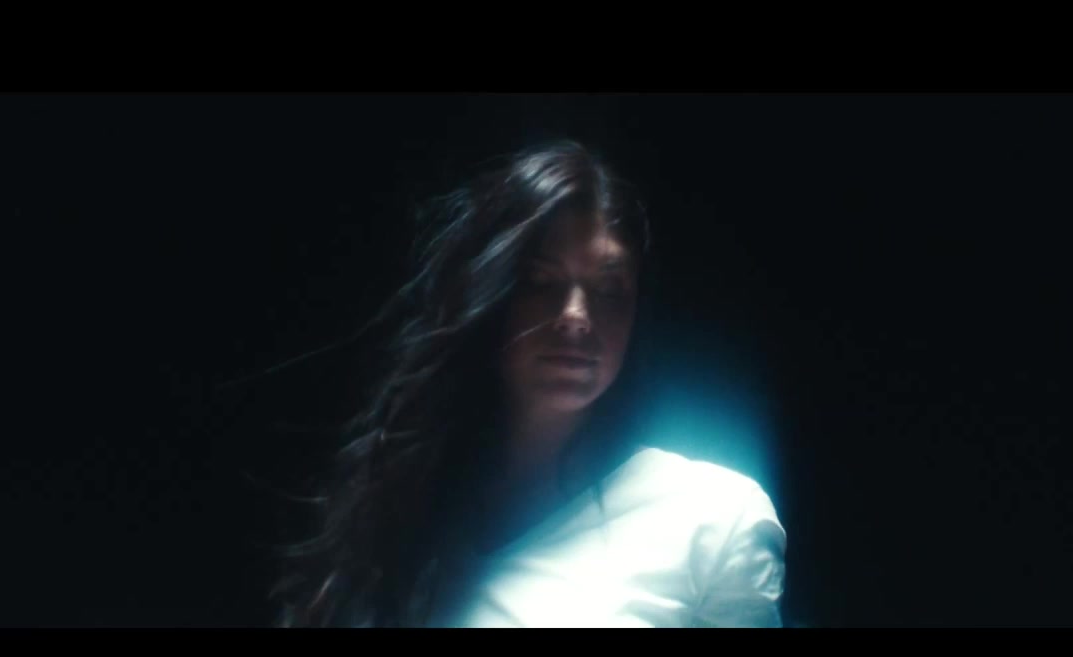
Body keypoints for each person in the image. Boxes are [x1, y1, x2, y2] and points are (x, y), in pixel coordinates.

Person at [272, 140, 787, 627]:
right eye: (539, 281)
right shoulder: (405, 506)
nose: (576, 316)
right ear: (490, 297)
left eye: (610, 288)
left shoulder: (715, 517)